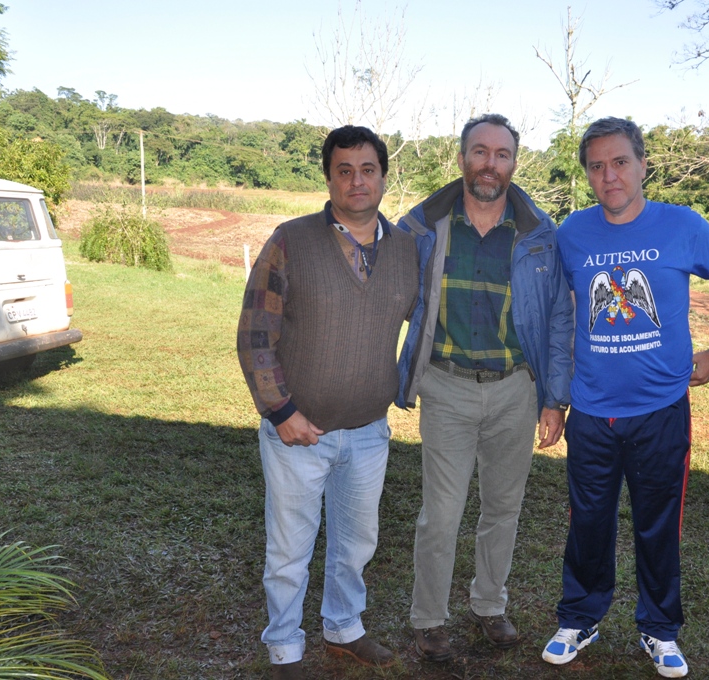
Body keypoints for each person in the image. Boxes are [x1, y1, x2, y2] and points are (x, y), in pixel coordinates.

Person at [541, 117, 709, 678]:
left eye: (619, 162)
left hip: (660, 412)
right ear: (587, 174)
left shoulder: (681, 225)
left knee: (658, 524)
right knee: (588, 521)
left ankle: (659, 629)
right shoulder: (571, 235)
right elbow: (558, 315)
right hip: (590, 412)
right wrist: (553, 398)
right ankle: (579, 617)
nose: (608, 175)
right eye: (596, 166)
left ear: (642, 165)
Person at [237, 125, 418, 679]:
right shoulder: (291, 241)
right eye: (344, 170)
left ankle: (344, 627)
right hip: (299, 433)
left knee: (356, 544)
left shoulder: (407, 251)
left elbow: (428, 326)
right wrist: (282, 412)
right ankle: (285, 646)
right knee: (289, 551)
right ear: (329, 178)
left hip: (368, 432)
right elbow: (255, 336)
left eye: (367, 169)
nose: (356, 181)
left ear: (384, 177)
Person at [395, 113, 573, 662]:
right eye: (479, 152)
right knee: (441, 512)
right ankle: (429, 620)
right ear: (462, 158)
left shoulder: (539, 234)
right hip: (446, 386)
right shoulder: (423, 227)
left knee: (503, 507)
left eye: (501, 154)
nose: (489, 164)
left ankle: (489, 605)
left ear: (514, 163)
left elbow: (559, 318)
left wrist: (554, 396)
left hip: (515, 390)